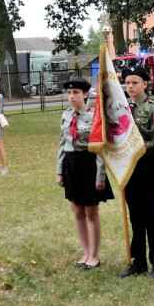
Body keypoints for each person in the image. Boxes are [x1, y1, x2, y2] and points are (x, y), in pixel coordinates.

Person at [56, 78, 113, 269]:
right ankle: (86, 253)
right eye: (69, 93)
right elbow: (62, 144)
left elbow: (100, 148)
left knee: (91, 211)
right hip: (71, 164)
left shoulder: (95, 116)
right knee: (77, 210)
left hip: (89, 164)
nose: (72, 97)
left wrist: (100, 175)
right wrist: (59, 171)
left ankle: (95, 256)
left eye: (76, 93)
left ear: (86, 94)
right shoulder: (66, 115)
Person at [118, 68, 154, 279]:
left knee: (151, 217)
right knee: (135, 218)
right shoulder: (121, 109)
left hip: (148, 166)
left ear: (145, 84)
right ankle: (138, 262)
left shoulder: (153, 109)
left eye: (135, 82)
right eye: (127, 82)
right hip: (129, 169)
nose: (130, 86)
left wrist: (134, 148)